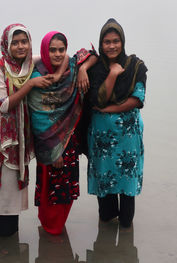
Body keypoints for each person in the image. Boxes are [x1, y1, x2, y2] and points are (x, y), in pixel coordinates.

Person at [0, 23, 64, 249]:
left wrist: (72, 70)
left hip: (16, 132)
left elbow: (55, 57)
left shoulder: (26, 64)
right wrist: (31, 84)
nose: (20, 46)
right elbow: (5, 105)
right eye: (15, 42)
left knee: (10, 182)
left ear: (30, 43)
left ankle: (7, 232)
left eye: (24, 42)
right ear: (6, 45)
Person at [28, 31, 97, 235]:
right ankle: (52, 230)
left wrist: (83, 67)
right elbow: (38, 117)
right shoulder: (36, 75)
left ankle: (57, 229)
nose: (57, 54)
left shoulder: (72, 69)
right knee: (51, 189)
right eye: (52, 50)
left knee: (64, 190)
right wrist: (54, 149)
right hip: (48, 143)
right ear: (44, 51)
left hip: (69, 141)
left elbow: (93, 54)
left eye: (61, 50)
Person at [86, 18, 148, 228]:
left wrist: (108, 110)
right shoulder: (95, 69)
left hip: (127, 137)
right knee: (104, 180)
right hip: (101, 137)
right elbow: (97, 99)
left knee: (126, 177)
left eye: (116, 41)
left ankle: (126, 222)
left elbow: (137, 99)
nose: (111, 46)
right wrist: (112, 74)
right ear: (101, 44)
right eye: (106, 42)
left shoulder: (135, 66)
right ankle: (107, 221)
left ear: (122, 42)